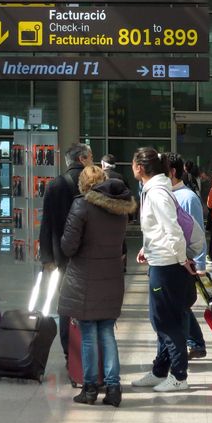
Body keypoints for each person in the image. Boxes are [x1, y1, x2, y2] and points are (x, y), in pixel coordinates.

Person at [60, 165, 136, 407]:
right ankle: (114, 388)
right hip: (112, 276)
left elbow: (69, 246)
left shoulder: (81, 206)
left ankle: (90, 387)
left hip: (85, 278)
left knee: (88, 335)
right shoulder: (120, 209)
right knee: (107, 332)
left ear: (83, 184)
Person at [130, 147, 197, 392]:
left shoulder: (157, 193)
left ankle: (179, 376)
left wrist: (181, 260)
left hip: (168, 265)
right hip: (162, 260)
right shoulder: (155, 190)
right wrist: (146, 248)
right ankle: (160, 371)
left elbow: (172, 229)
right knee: (164, 320)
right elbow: (157, 228)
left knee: (165, 322)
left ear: (139, 167)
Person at [39, 143, 93, 360]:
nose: (93, 162)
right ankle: (88, 348)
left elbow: (47, 224)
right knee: (90, 303)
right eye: (91, 157)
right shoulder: (96, 184)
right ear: (82, 159)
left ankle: (68, 349)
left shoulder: (55, 185)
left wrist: (47, 257)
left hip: (63, 255)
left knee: (66, 303)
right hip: (91, 254)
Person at [166, 152, 208, 360]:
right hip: (170, 261)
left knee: (180, 305)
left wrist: (200, 264)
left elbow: (198, 232)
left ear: (172, 172)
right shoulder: (165, 195)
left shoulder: (188, 198)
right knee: (178, 305)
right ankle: (195, 343)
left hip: (185, 263)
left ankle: (191, 344)